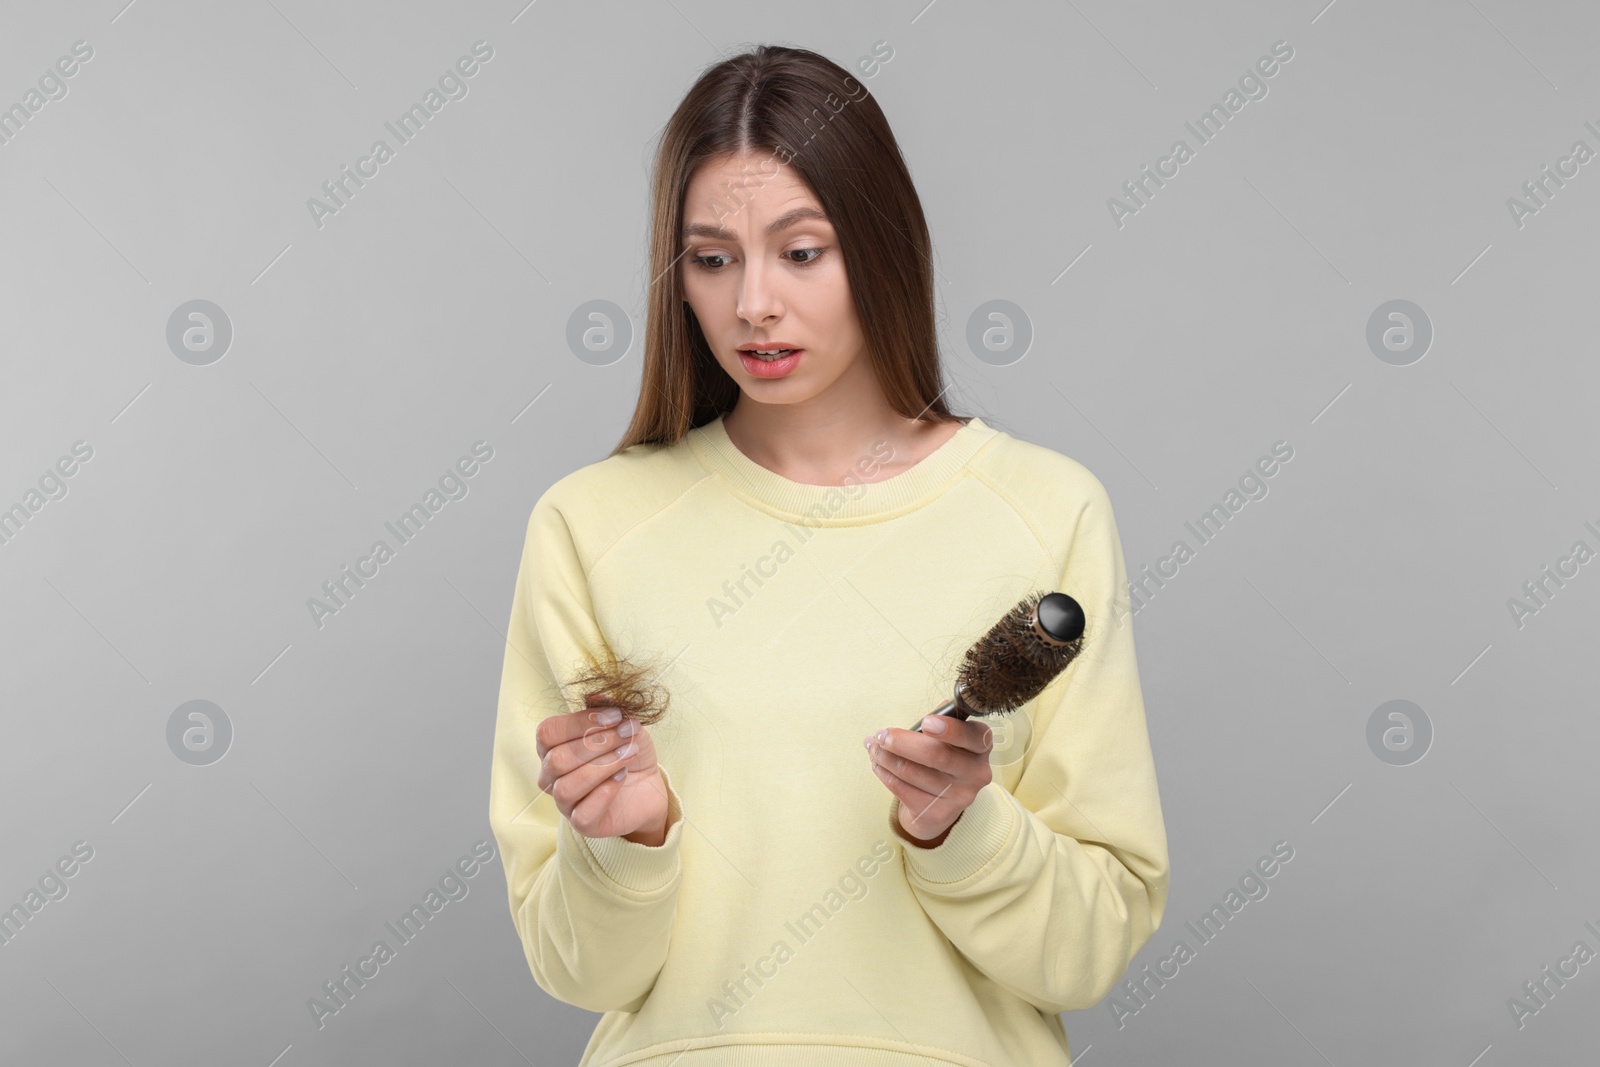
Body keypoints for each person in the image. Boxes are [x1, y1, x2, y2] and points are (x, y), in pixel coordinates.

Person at [488, 43, 1170, 1067]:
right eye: (713, 258)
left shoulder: (1044, 510)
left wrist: (963, 832)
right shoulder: (588, 526)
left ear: (880, 247)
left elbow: (1094, 947)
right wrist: (627, 842)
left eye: (800, 251)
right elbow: (575, 968)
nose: (753, 302)